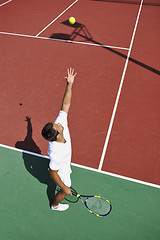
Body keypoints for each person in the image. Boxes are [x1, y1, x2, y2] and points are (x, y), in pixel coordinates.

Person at [41, 68, 77, 211]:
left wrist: (69, 84)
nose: (59, 123)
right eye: (57, 125)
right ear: (57, 135)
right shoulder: (56, 153)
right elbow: (52, 171)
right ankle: (54, 205)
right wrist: (64, 187)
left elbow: (65, 105)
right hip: (62, 173)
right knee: (63, 191)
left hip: (65, 163)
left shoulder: (58, 128)